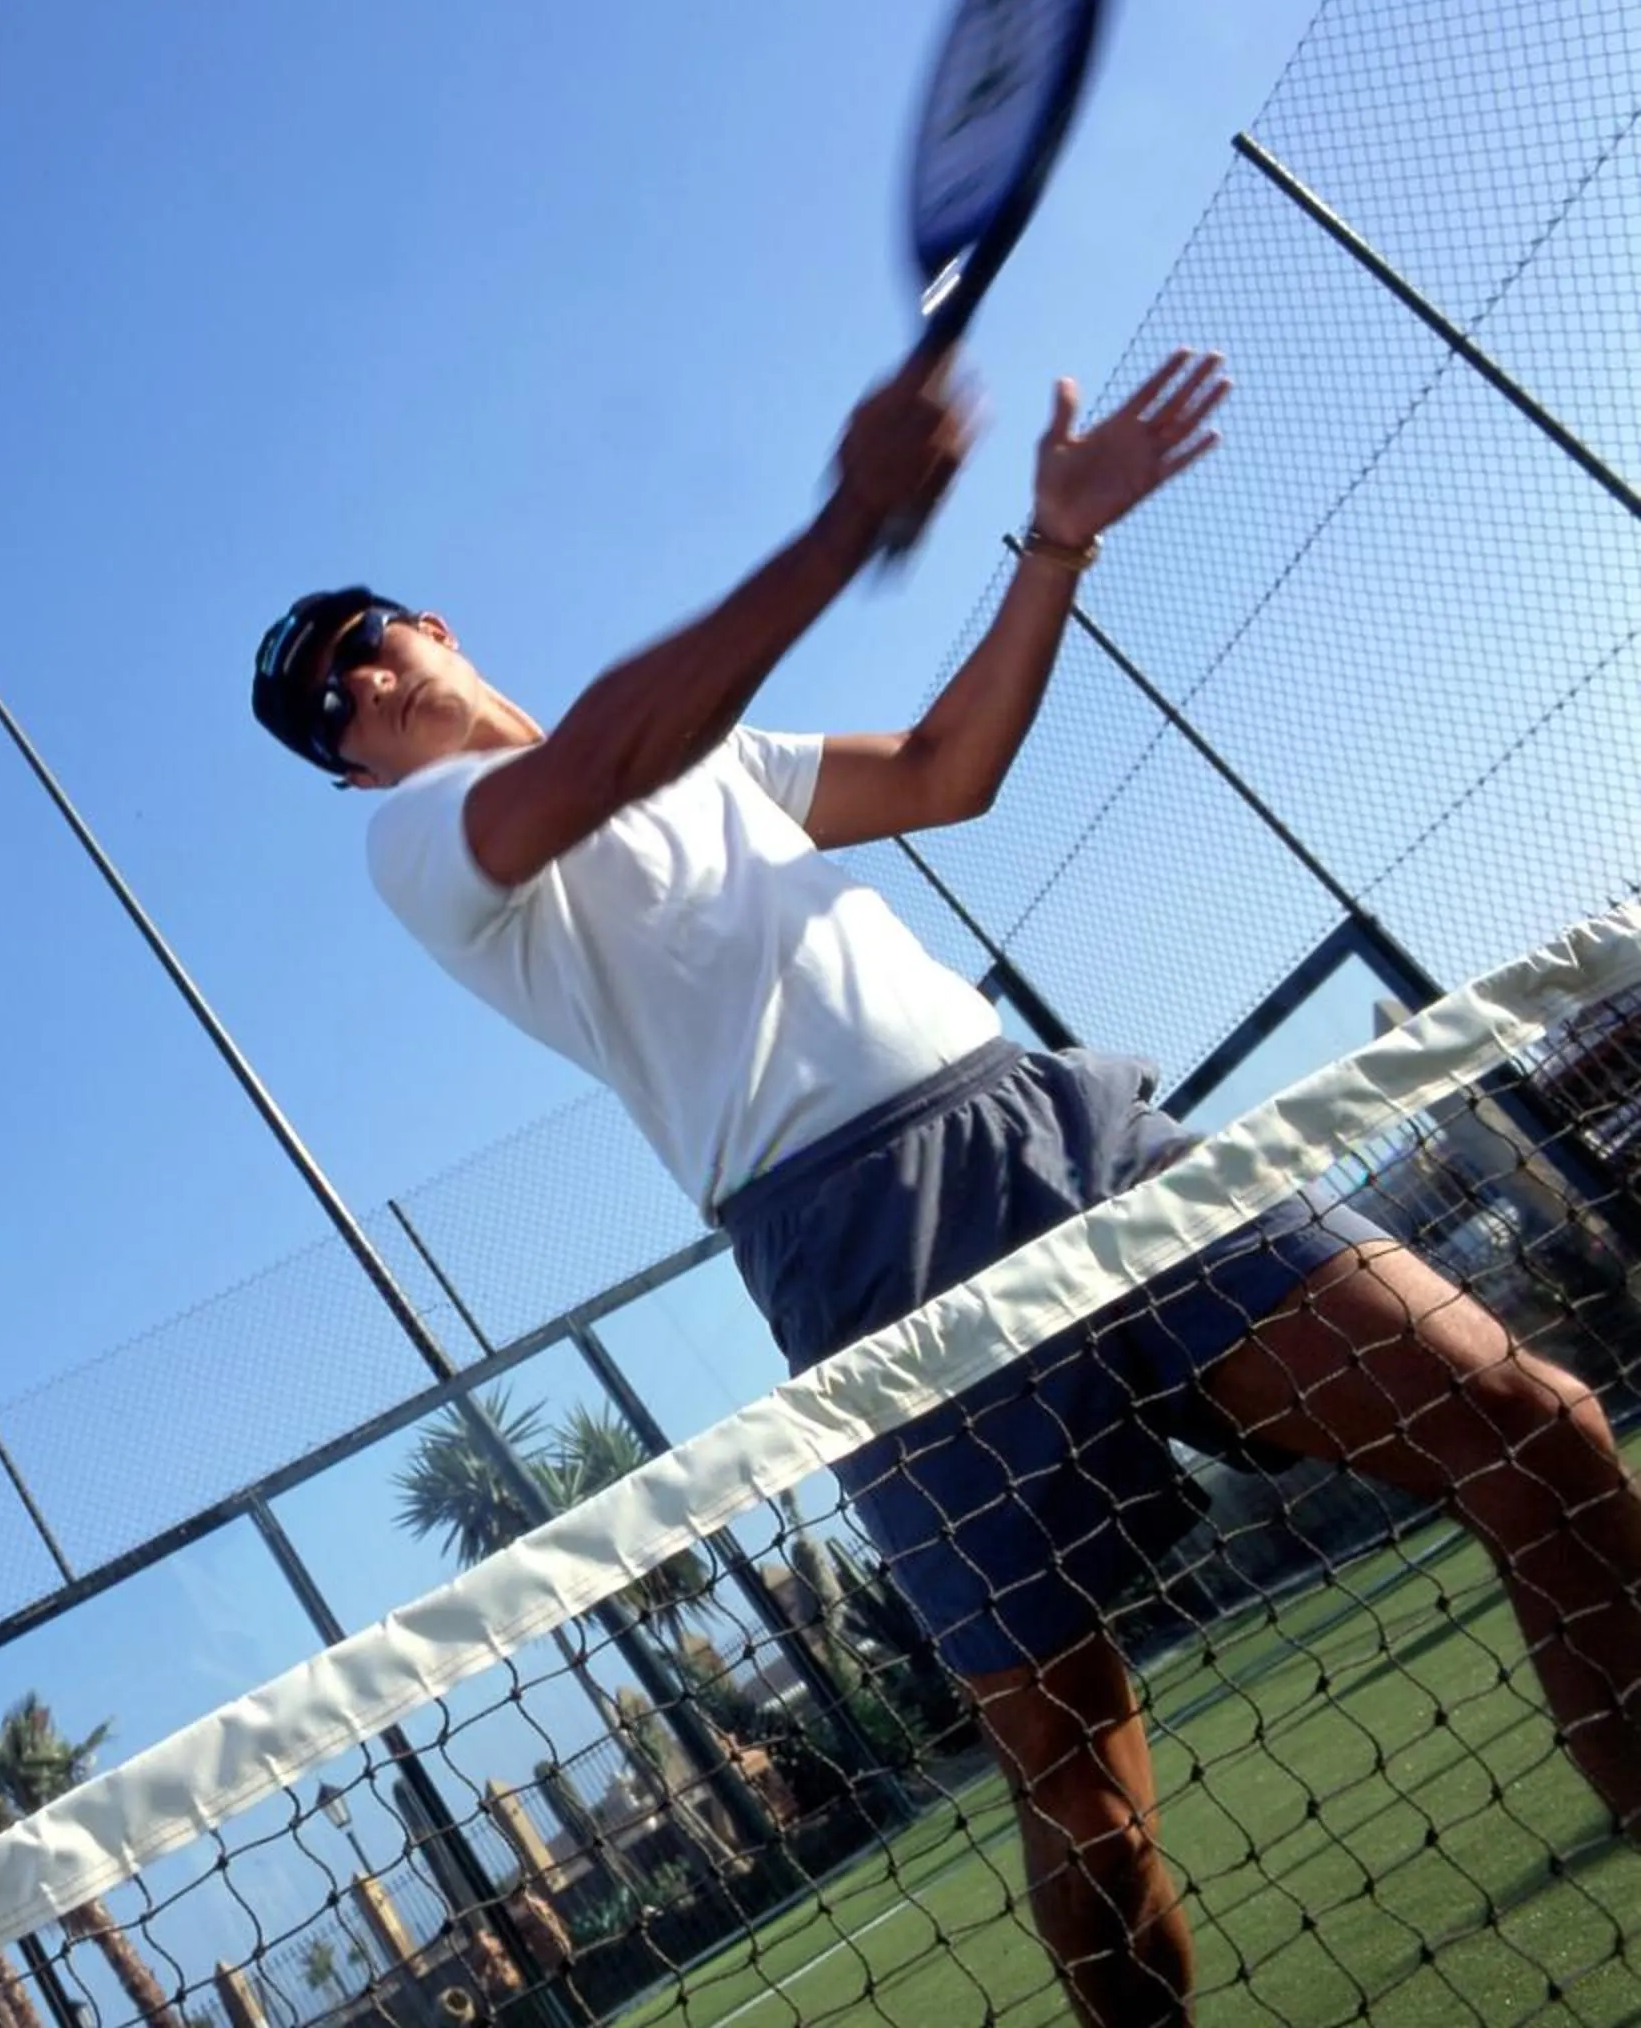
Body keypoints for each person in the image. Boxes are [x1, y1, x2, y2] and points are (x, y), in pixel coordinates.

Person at [247, 348, 1641, 2027]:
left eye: (360, 645)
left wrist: (1050, 543)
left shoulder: (716, 758)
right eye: (324, 713)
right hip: (859, 1260)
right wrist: (851, 519)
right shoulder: (420, 842)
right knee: (1077, 1778)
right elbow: (612, 746)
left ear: (436, 627)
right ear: (344, 773)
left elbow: (942, 768)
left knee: (1536, 1432)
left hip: (1064, 1137)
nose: (357, 692)